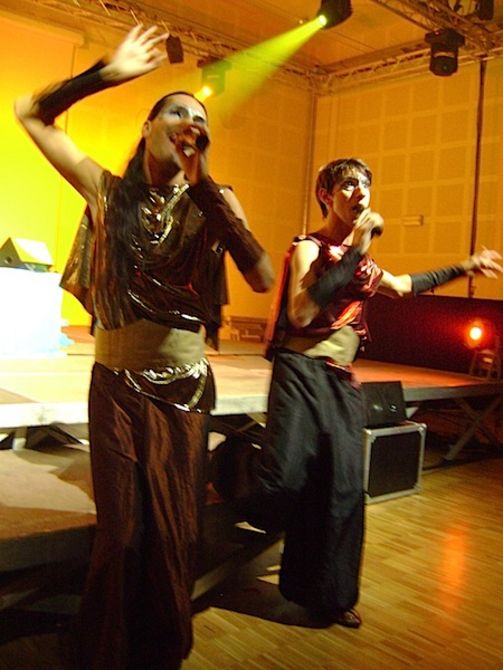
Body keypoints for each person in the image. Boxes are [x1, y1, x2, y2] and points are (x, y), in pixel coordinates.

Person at [14, 24, 274, 670]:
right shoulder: (106, 191)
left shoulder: (216, 199)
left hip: (183, 389)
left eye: (200, 119)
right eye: (177, 112)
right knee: (121, 532)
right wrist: (104, 72)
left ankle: (159, 649)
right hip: (115, 386)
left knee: (174, 530)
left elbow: (262, 275)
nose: (190, 123)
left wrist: (204, 183)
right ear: (149, 126)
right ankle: (106, 649)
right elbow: (28, 112)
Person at [222, 157, 502, 629]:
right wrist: (356, 250)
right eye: (348, 185)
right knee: (282, 482)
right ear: (326, 195)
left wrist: (465, 266)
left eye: (365, 185)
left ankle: (328, 596)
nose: (359, 193)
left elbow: (405, 287)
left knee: (343, 489)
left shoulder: (363, 261)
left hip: (340, 381)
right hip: (300, 373)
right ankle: (230, 461)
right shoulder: (308, 248)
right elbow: (302, 312)